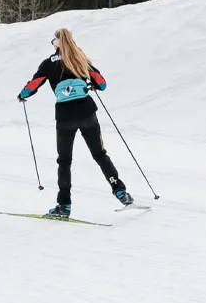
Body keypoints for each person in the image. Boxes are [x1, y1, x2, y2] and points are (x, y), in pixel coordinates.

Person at [18, 26, 132, 218]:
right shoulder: (81, 58)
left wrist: (22, 95)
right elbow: (102, 83)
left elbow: (34, 84)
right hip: (88, 113)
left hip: (65, 117)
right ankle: (119, 190)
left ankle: (64, 206)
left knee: (64, 161)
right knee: (100, 154)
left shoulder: (49, 63)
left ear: (56, 43)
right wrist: (92, 84)